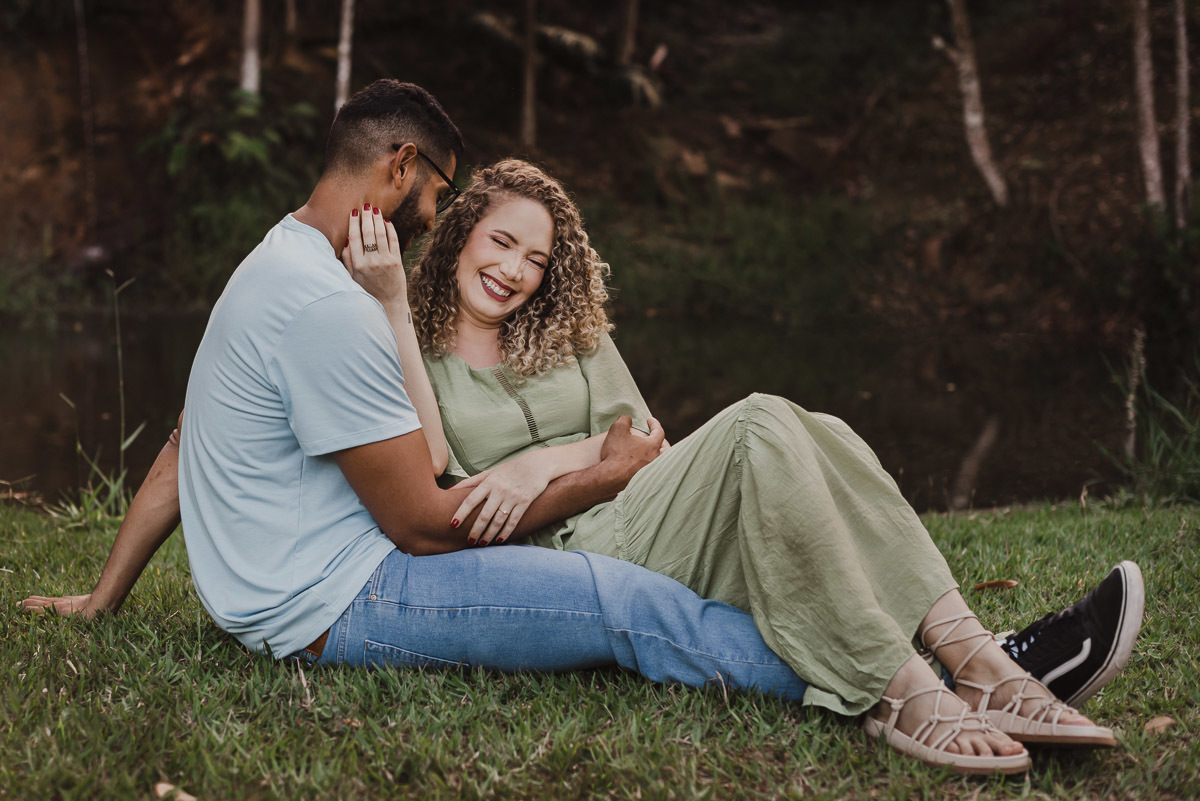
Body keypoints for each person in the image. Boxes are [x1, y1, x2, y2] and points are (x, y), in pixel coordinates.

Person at [20, 82, 1138, 776]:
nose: (460, 237)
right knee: (698, 530)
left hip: (449, 544)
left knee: (799, 429)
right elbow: (426, 517)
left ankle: (983, 660)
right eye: (449, 205)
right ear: (409, 177)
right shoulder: (343, 307)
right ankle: (915, 687)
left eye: (530, 254)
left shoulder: (283, 267)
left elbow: (188, 439)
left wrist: (105, 594)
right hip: (398, 577)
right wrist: (578, 464)